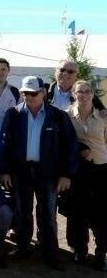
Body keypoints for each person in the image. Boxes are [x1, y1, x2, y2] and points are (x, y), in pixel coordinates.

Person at [0, 76, 78, 271]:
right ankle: (24, 247)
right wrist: (5, 171)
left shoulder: (58, 116)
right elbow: (4, 145)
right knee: (22, 212)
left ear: (43, 93)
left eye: (34, 93)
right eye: (26, 93)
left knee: (48, 214)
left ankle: (50, 252)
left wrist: (66, 174)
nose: (30, 97)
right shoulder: (13, 115)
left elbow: (70, 146)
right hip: (21, 171)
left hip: (48, 173)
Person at [66, 80, 107, 271]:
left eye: (87, 91)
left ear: (92, 94)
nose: (83, 95)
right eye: (79, 92)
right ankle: (80, 250)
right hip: (79, 171)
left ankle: (101, 254)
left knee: (101, 215)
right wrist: (80, 148)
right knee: (79, 213)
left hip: (101, 170)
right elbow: (64, 142)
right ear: (73, 94)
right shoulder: (66, 116)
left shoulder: (103, 116)